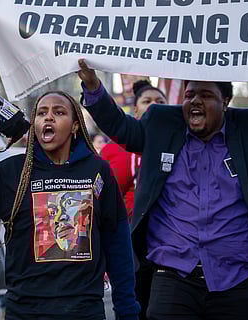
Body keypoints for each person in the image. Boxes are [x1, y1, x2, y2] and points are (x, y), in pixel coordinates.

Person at [77, 59, 248, 320]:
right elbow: (122, 127)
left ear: (227, 102)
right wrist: (93, 86)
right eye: (190, 94)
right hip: (173, 274)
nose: (195, 101)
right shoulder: (161, 123)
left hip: (238, 276)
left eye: (206, 95)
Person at [0, 90, 140, 320]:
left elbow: (118, 244)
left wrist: (127, 310)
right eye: (41, 113)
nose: (48, 117)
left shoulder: (98, 171)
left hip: (84, 311)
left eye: (59, 112)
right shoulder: (11, 172)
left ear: (75, 126)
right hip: (25, 311)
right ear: (34, 124)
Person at [100, 80, 166, 320]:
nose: (154, 106)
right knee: (132, 306)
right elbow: (104, 200)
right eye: (147, 101)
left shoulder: (180, 143)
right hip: (130, 243)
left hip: (168, 244)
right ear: (135, 109)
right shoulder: (115, 149)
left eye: (160, 102)